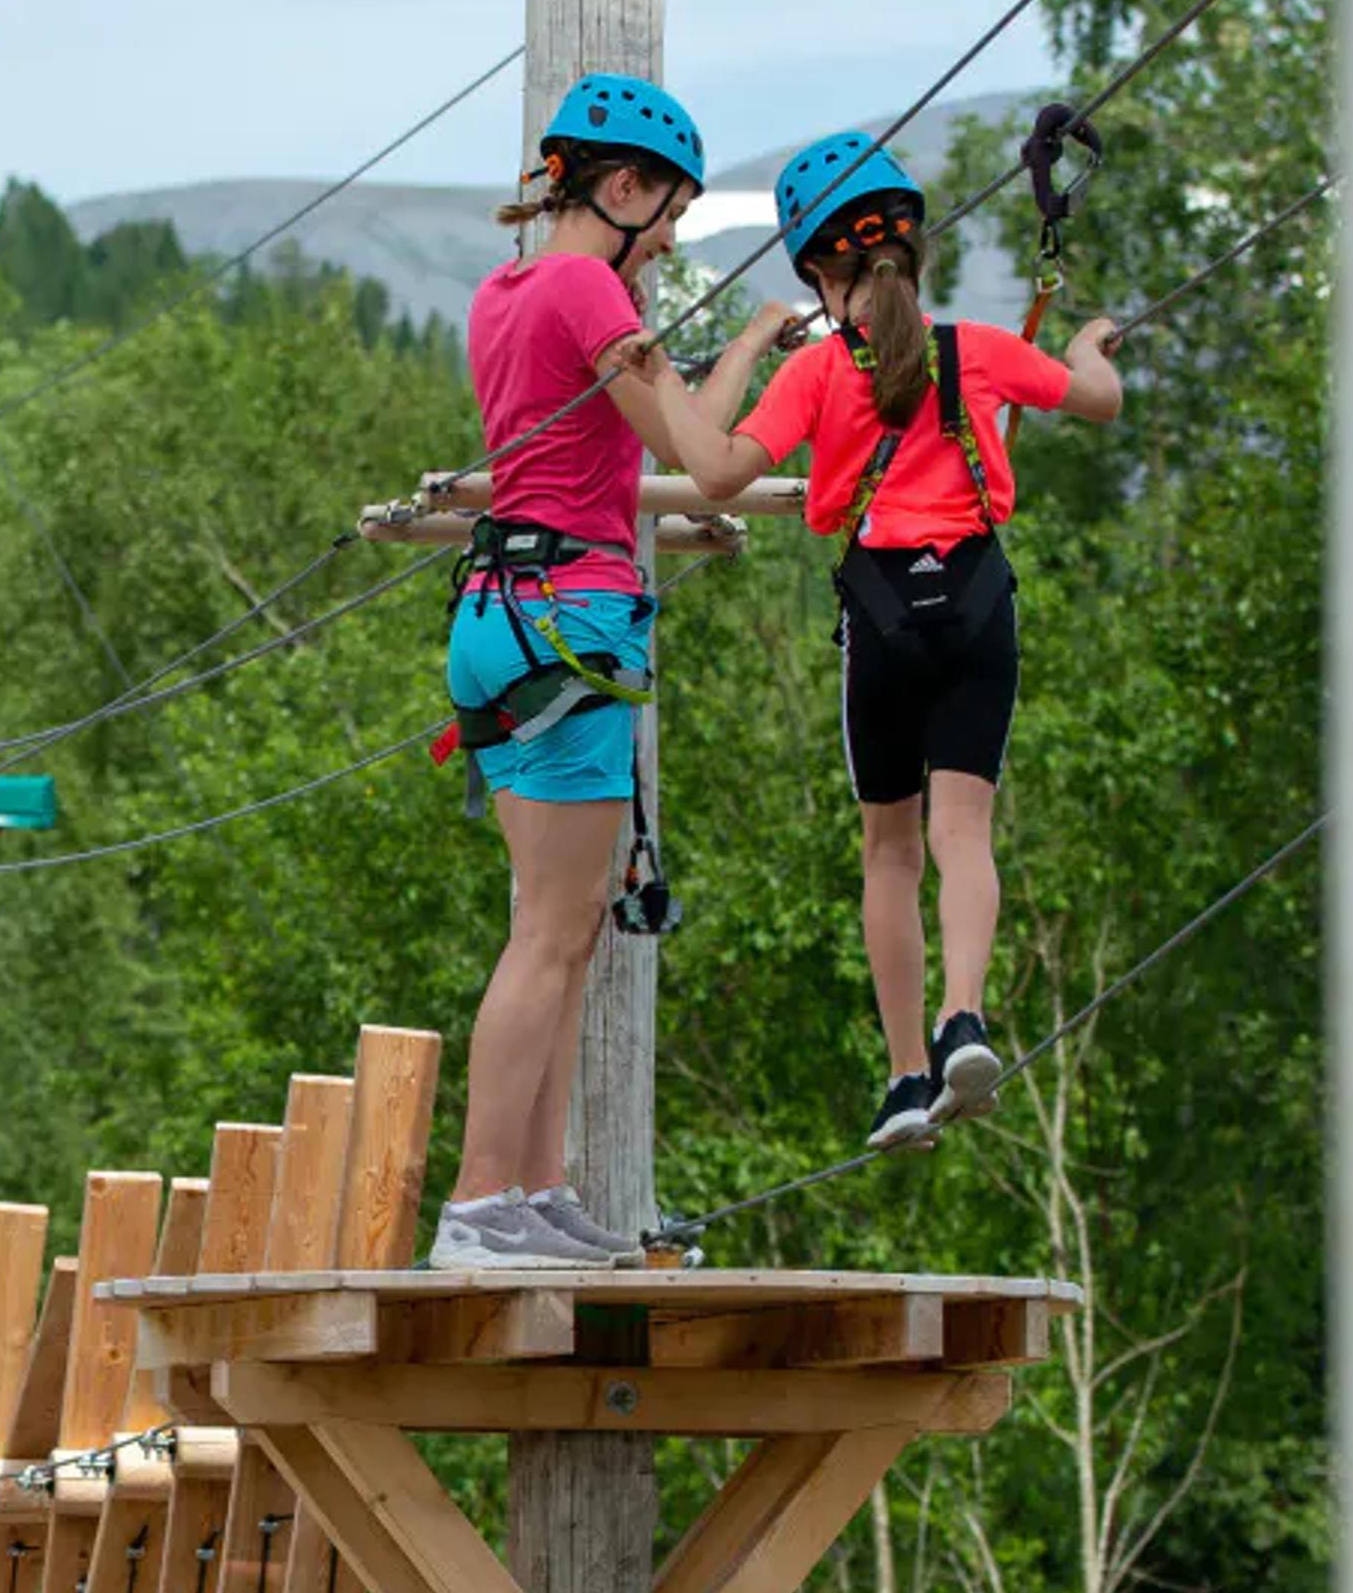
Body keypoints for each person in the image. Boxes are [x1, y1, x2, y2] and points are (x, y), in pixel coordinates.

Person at [667, 132, 1123, 1150]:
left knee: (890, 849)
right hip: (976, 608)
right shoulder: (985, 354)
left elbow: (713, 469)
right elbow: (1098, 399)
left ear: (821, 271)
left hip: (881, 622)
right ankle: (967, 1014)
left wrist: (745, 344)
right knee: (966, 831)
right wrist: (1086, 347)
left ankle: (908, 1075)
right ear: (913, 251)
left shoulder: (821, 373)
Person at [429, 72, 740, 1269]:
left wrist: (751, 339)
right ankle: (476, 1207)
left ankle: (535, 1193)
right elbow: (711, 464)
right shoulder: (586, 288)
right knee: (553, 935)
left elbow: (662, 435)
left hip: (503, 613)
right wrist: (776, 369)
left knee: (560, 929)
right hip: (572, 618)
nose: (664, 242)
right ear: (619, 188)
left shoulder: (507, 291)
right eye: (661, 215)